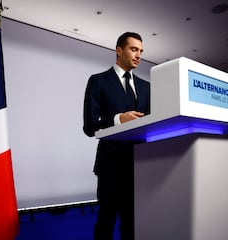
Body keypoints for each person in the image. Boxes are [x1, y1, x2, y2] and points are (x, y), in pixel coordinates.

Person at [83, 32, 150, 240]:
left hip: (141, 167)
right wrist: (119, 119)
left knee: (132, 224)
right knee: (106, 222)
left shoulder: (147, 87)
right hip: (110, 165)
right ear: (119, 50)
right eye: (133, 49)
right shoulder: (98, 81)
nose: (138, 55)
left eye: (141, 51)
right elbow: (90, 126)